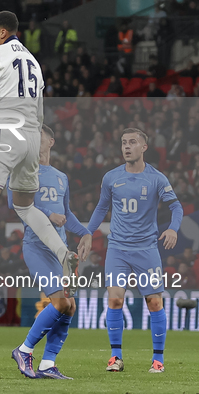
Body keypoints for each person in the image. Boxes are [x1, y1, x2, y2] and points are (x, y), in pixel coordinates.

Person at [0, 11, 79, 313]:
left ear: (3, 33)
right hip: (32, 136)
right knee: (24, 206)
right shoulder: (33, 61)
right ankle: (64, 254)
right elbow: (40, 110)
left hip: (6, 133)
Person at [87, 128, 183, 374]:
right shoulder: (111, 177)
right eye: (123, 143)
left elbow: (177, 207)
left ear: (144, 147)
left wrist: (172, 229)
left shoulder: (157, 178)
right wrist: (88, 232)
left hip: (146, 249)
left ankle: (158, 360)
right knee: (115, 299)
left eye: (132, 142)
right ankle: (115, 358)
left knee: (154, 302)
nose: (126, 146)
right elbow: (100, 208)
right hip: (117, 249)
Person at [9, 125, 91, 379]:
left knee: (70, 307)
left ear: (50, 142)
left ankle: (48, 364)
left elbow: (66, 215)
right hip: (37, 247)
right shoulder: (23, 171)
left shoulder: (60, 176)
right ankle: (24, 350)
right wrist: (47, 215)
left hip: (61, 251)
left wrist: (86, 232)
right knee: (60, 302)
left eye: (38, 137)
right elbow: (17, 204)